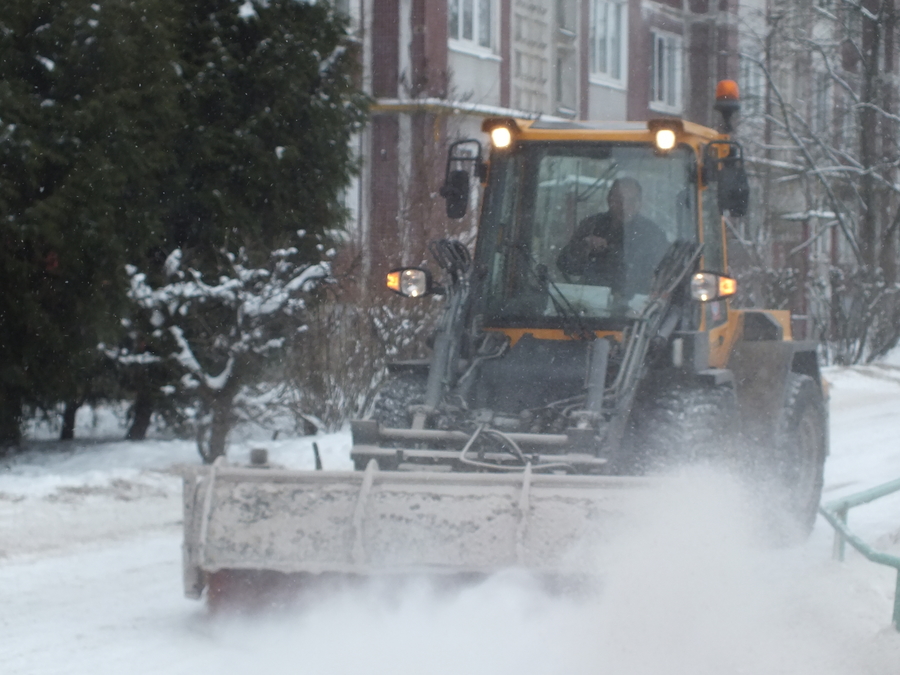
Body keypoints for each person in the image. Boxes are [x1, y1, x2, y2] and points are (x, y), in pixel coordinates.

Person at [556, 177, 669, 295]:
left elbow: (665, 276)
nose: (624, 206)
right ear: (609, 200)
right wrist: (584, 247)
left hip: (637, 306)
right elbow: (564, 266)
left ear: (640, 203)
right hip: (593, 305)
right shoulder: (592, 226)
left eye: (631, 201)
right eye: (619, 199)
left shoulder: (653, 234)